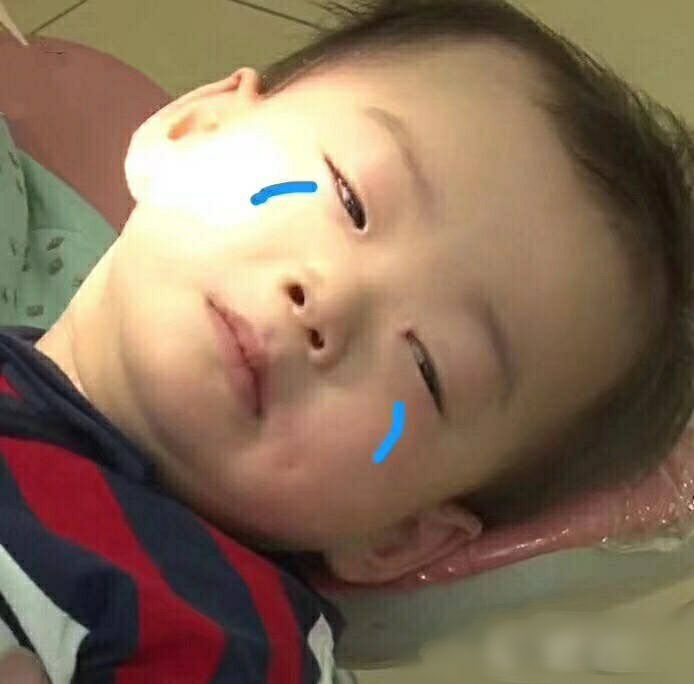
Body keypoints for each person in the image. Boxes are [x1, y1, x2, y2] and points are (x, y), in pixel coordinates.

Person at [0, 0, 692, 680]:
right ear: (193, 131)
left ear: (397, 536)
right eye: (350, 198)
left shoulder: (225, 642)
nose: (331, 301)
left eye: (426, 366)